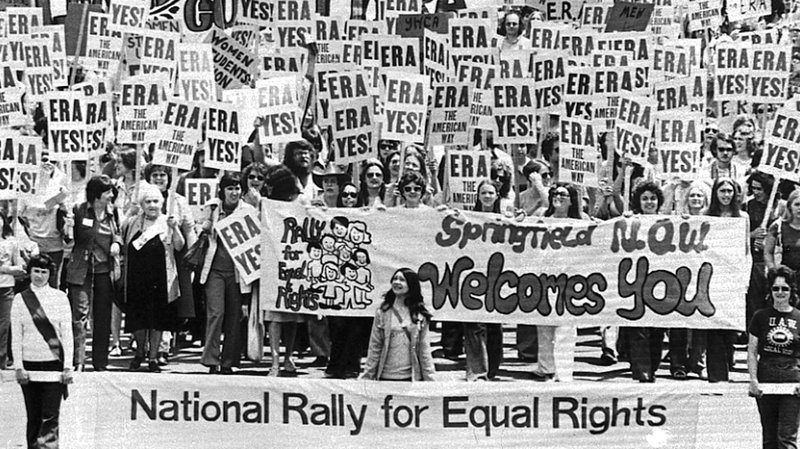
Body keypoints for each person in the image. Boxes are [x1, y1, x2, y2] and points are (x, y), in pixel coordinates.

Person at [11, 254, 73, 449]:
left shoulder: (60, 298)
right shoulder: (20, 299)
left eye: (43, 272)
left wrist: (68, 367)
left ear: (50, 274)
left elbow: (67, 335)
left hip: (54, 366)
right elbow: (16, 337)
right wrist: (18, 367)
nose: (39, 276)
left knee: (51, 418)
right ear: (29, 273)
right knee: (34, 418)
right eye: (36, 271)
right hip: (29, 366)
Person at [122, 184, 184, 373]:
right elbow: (122, 237)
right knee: (139, 319)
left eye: (156, 201)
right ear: (142, 204)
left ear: (162, 203)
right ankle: (139, 352)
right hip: (137, 278)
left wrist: (175, 229)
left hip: (161, 278)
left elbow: (180, 246)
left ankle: (153, 357)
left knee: (158, 320)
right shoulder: (133, 222)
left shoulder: (168, 221)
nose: (152, 205)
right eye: (148, 202)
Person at [199, 173, 256, 374]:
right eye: (230, 188)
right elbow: (200, 229)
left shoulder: (248, 210)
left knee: (234, 316)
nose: (234, 192)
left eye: (237, 188)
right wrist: (206, 226)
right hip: (214, 270)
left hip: (238, 271)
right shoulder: (213, 208)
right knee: (216, 313)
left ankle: (228, 362)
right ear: (222, 190)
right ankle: (211, 359)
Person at [64, 175, 121, 372]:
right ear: (97, 194)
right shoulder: (79, 210)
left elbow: (119, 233)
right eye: (107, 192)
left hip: (104, 271)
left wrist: (116, 243)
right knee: (80, 315)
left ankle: (100, 362)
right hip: (81, 270)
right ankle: (78, 361)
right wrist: (68, 226)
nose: (111, 195)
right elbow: (68, 241)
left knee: (103, 316)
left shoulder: (113, 213)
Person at [144, 164, 197, 365]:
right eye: (155, 175)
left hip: (172, 258)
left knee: (168, 303)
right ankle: (144, 347)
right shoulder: (140, 196)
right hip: (147, 260)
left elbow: (189, 228)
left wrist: (192, 256)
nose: (159, 178)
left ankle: (163, 348)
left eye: (163, 175)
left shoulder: (178, 201)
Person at [531, 183, 583, 381]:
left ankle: (563, 373)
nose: (557, 197)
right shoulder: (542, 219)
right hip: (544, 278)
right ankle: (545, 368)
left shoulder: (581, 221)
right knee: (543, 326)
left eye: (563, 194)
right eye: (555, 193)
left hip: (570, 281)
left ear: (572, 201)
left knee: (566, 328)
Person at [748, 266, 800, 449]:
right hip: (766, 379)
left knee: (786, 439)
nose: (780, 292)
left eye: (784, 288)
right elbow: (752, 352)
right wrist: (753, 380)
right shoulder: (760, 317)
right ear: (770, 291)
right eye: (776, 288)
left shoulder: (799, 317)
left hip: (792, 383)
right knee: (769, 439)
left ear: (791, 291)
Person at [619, 181, 665, 382]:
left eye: (653, 198)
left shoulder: (667, 222)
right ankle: (641, 371)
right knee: (638, 329)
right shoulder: (631, 220)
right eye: (645, 198)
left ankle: (652, 368)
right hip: (636, 282)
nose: (649, 202)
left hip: (661, 283)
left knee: (656, 330)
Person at [461, 179, 505, 381]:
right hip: (474, 277)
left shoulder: (505, 219)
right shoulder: (467, 218)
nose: (487, 196)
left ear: (497, 196)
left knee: (494, 326)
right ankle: (477, 371)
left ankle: (492, 368)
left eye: (491, 193)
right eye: (483, 193)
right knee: (474, 326)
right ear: (477, 196)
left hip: (498, 278)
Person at [263, 165, 304, 376]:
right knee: (275, 316)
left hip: (293, 266)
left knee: (292, 317)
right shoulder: (266, 206)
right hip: (273, 267)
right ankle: (275, 361)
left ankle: (288, 357)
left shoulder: (298, 205)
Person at [361, 268, 435, 381]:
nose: (397, 282)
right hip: (385, 377)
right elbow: (375, 347)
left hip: (410, 379)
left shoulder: (419, 315)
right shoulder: (382, 313)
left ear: (411, 285)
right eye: (395, 279)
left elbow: (424, 351)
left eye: (402, 280)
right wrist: (366, 378)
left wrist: (431, 380)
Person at [0, 211, 26, 370]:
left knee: (4, 326)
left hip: (6, 289)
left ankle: (2, 360)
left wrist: (4, 269)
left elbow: (20, 267)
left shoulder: (11, 242)